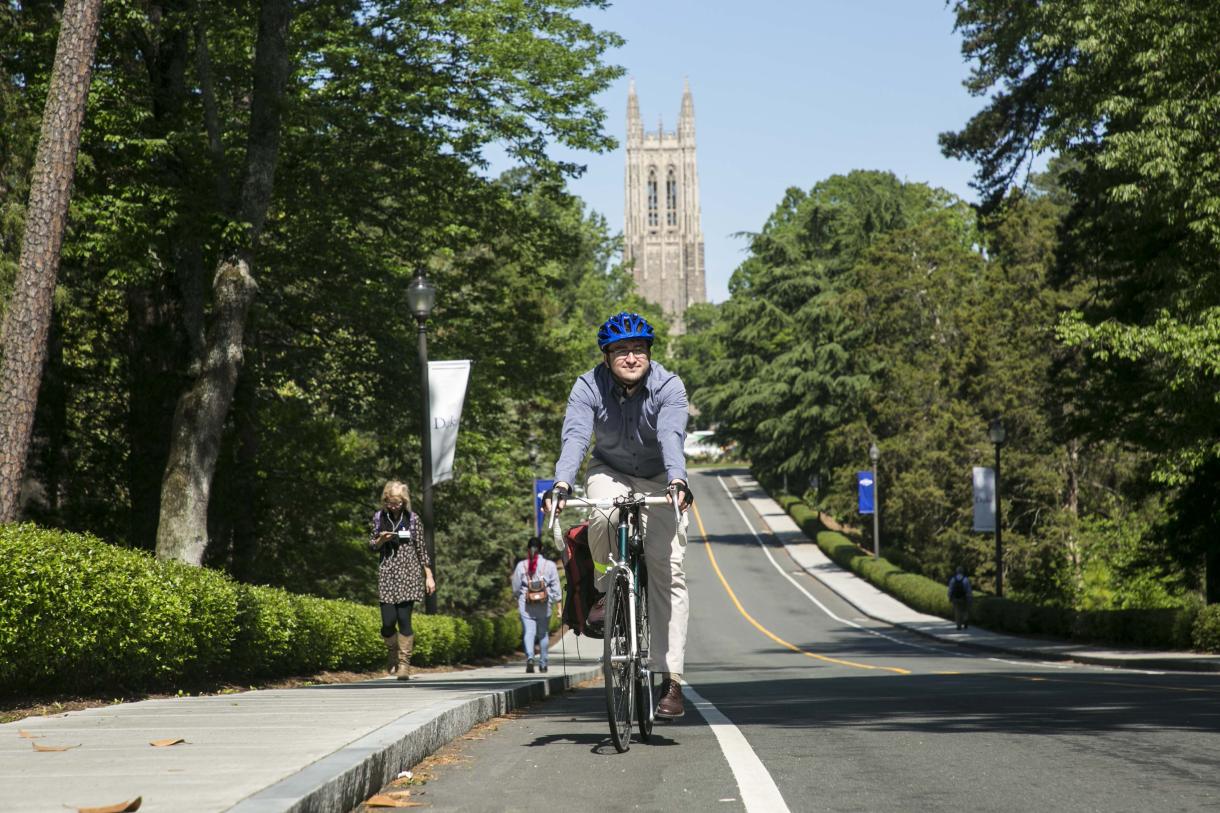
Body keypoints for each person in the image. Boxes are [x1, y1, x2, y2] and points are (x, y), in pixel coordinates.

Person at [543, 311, 694, 720]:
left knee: (669, 571)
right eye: (622, 350)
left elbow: (671, 436)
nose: (631, 357)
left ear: (649, 353)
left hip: (660, 476)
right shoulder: (587, 386)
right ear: (607, 356)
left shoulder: (669, 386)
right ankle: (607, 591)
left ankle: (671, 679)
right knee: (603, 517)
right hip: (609, 470)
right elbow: (575, 436)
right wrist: (561, 484)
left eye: (639, 349)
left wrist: (677, 482)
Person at [369, 480, 436, 680]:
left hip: (408, 573)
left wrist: (429, 576)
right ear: (385, 500)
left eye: (398, 503)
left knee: (404, 620)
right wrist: (382, 539)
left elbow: (421, 548)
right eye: (390, 502)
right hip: (387, 573)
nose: (394, 506)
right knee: (388, 622)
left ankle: (404, 664)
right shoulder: (379, 517)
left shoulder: (413, 519)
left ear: (404, 501)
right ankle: (392, 653)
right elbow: (372, 545)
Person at [511, 536, 562, 673]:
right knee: (543, 634)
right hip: (544, 605)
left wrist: (517, 597)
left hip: (526, 605)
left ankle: (530, 657)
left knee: (529, 632)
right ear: (542, 549)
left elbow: (516, 587)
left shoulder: (521, 566)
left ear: (528, 549)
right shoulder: (550, 565)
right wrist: (558, 606)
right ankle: (543, 663)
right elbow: (556, 586)